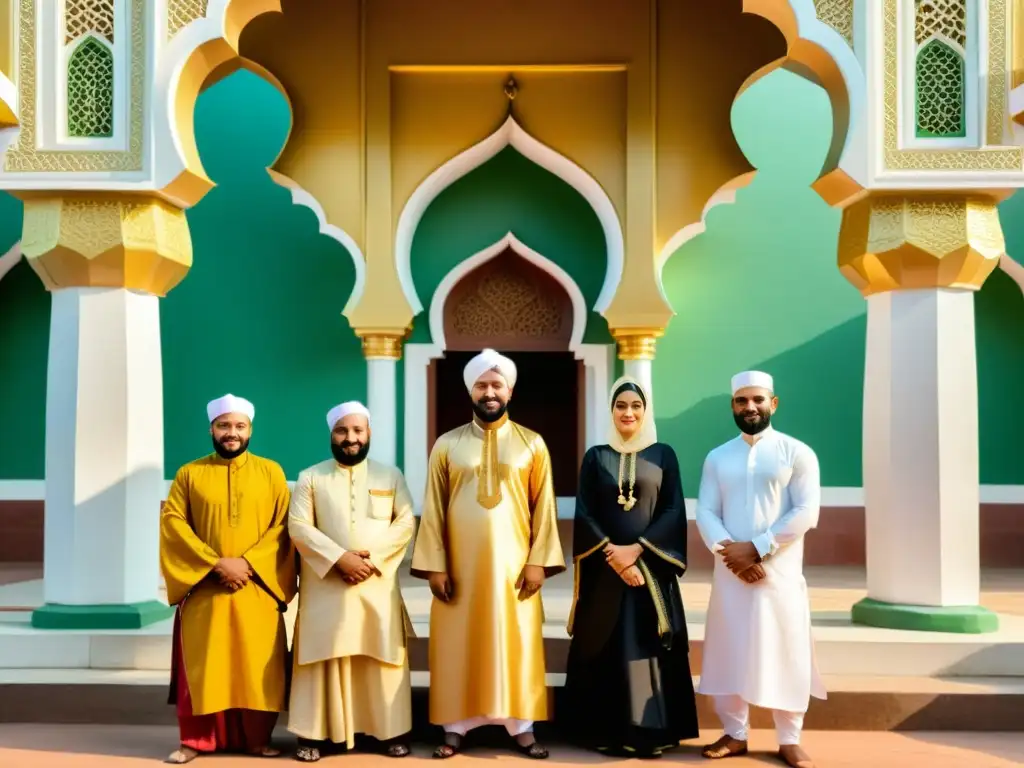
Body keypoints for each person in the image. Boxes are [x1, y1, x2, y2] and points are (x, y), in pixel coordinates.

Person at [411, 348, 565, 760]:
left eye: (497, 384)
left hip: (515, 570)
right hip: (459, 569)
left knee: (515, 642)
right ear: (470, 391)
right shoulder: (447, 444)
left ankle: (522, 727)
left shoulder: (532, 444)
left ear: (510, 391)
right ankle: (455, 727)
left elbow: (544, 509)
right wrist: (434, 566)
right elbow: (434, 509)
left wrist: (538, 561)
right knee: (459, 643)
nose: (490, 391)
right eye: (482, 384)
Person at [562, 376, 699, 758]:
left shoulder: (663, 454)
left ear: (645, 411)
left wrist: (637, 550)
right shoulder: (595, 456)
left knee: (645, 645)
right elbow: (585, 512)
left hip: (651, 571)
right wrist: (615, 557)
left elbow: (673, 510)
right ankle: (603, 730)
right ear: (611, 410)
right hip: (604, 572)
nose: (628, 412)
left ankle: (648, 732)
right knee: (605, 645)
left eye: (636, 406)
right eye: (621, 406)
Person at [695, 371, 825, 768]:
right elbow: (705, 511)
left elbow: (806, 512)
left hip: (779, 573)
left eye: (757, 400)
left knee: (785, 649)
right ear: (732, 406)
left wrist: (757, 548)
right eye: (741, 401)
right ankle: (735, 733)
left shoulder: (796, 452)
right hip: (732, 572)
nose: (749, 407)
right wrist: (730, 556)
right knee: (730, 648)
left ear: (773, 403)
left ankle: (789, 739)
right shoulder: (718, 457)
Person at [160, 394, 297, 764]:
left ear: (250, 429)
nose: (231, 433)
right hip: (206, 587)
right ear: (211, 429)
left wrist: (248, 564)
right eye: (224, 425)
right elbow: (173, 524)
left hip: (256, 587)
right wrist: (215, 563)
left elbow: (282, 527)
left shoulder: (271, 472)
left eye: (239, 426)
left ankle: (256, 740)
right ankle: (196, 742)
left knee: (257, 668)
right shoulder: (189, 474)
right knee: (206, 667)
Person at [287, 401, 416, 762]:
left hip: (375, 586)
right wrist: (339, 559)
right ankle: (314, 733)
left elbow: (405, 522)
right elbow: (298, 526)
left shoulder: (390, 476)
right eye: (342, 431)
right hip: (328, 585)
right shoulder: (311, 476)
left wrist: (371, 561)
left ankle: (388, 730)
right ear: (331, 435)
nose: (350, 438)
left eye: (357, 430)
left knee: (380, 656)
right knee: (323, 656)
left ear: (369, 433)